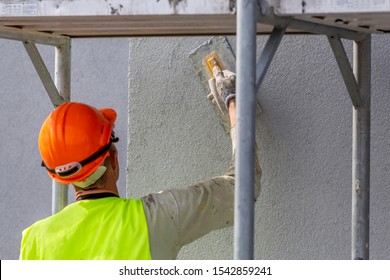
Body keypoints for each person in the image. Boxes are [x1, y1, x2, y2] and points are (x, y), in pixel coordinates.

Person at [19, 68, 262, 260]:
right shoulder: (157, 217)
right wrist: (233, 101)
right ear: (113, 157)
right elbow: (241, 190)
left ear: (60, 176)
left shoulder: (34, 241)